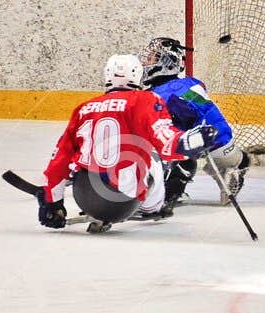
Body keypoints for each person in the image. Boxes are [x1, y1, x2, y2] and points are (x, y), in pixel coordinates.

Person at [37, 54, 211, 233]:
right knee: (154, 153)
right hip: (123, 202)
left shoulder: (84, 108)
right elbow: (165, 140)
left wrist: (52, 202)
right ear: (138, 75)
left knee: (80, 157)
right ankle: (152, 207)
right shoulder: (146, 99)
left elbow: (60, 158)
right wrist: (189, 142)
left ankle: (98, 204)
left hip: (85, 197)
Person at [141, 36, 250, 214]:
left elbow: (173, 131)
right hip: (225, 144)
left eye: (152, 57)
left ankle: (169, 191)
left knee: (160, 145)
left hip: (207, 145)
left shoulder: (162, 93)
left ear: (166, 63)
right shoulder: (189, 83)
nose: (146, 62)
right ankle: (236, 163)